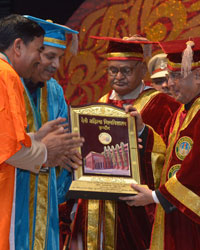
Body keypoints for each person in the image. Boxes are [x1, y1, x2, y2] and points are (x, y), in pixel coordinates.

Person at [68, 35, 181, 250]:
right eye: (113, 70)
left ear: (142, 71)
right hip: (94, 207)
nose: (118, 76)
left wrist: (142, 133)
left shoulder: (163, 106)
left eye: (126, 71)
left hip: (136, 209)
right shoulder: (96, 106)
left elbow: (170, 159)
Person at [0, 14, 84, 250]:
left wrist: (59, 149)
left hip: (42, 200)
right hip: (14, 194)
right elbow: (8, 146)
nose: (53, 64)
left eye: (59, 58)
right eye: (44, 54)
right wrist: (45, 151)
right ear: (19, 47)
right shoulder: (7, 76)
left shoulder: (54, 91)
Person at [120, 38, 200, 250]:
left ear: (199, 76)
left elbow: (195, 168)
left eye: (176, 76)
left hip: (190, 217)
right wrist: (141, 131)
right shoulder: (184, 111)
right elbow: (168, 159)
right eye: (168, 76)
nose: (170, 83)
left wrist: (156, 196)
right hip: (176, 212)